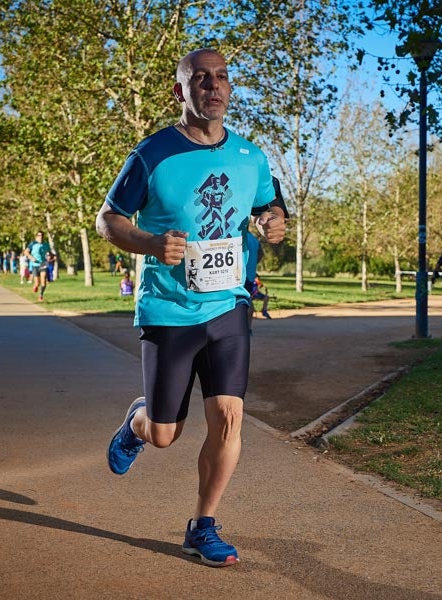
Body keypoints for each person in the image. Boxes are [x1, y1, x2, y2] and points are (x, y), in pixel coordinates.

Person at [95, 48, 287, 568]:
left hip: (229, 306)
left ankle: (203, 524)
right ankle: (139, 421)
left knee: (229, 417)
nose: (213, 86)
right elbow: (107, 220)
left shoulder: (251, 157)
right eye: (200, 78)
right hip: (168, 310)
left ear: (230, 89)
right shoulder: (151, 154)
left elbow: (270, 206)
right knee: (164, 435)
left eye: (221, 77)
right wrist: (152, 245)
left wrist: (273, 223)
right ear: (181, 91)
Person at [244, 231, 270, 330]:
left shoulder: (240, 235)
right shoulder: (254, 239)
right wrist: (252, 263)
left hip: (240, 276)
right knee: (248, 304)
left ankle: (243, 330)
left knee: (243, 305)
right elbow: (260, 254)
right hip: (250, 275)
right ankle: (247, 330)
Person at [24, 231, 51, 302]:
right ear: (36, 236)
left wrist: (51, 257)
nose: (40, 237)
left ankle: (41, 295)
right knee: (37, 283)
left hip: (43, 264)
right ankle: (35, 286)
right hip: (35, 265)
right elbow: (26, 252)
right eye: (39, 235)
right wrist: (31, 257)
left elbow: (49, 253)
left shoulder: (46, 244)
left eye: (42, 235)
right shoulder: (33, 244)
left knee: (43, 281)